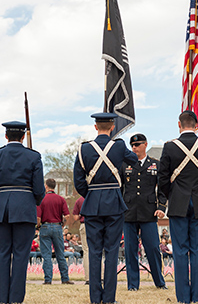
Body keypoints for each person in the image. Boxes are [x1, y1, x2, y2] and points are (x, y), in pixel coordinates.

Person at [158, 110, 198, 304]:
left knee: (179, 251)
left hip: (179, 201)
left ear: (179, 125)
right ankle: (197, 298)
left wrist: (171, 196)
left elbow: (162, 177)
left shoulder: (169, 147)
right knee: (196, 250)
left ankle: (183, 298)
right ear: (197, 125)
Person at [73, 112, 138, 304]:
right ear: (112, 127)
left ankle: (95, 298)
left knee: (94, 252)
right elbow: (133, 161)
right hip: (114, 204)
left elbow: (78, 181)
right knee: (111, 251)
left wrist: (92, 195)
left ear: (95, 127)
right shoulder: (118, 146)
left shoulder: (84, 149)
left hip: (92, 203)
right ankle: (109, 299)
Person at [0, 121, 45, 304]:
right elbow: (39, 189)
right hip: (24, 209)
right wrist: (33, 203)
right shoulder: (33, 157)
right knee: (21, 255)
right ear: (23, 136)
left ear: (6, 136)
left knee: (2, 255)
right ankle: (16, 299)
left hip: (0, 210)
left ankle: (1, 298)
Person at [120, 133, 167, 291]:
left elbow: (162, 188)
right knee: (130, 249)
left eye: (137, 144)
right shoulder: (124, 164)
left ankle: (159, 282)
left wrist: (161, 207)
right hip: (129, 212)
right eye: (132, 145)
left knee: (153, 248)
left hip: (149, 212)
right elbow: (120, 189)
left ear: (145, 144)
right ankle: (133, 285)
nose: (134, 147)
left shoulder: (155, 164)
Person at [37, 178, 73, 285]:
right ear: (55, 187)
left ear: (46, 186)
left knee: (47, 255)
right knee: (60, 254)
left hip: (45, 226)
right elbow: (67, 215)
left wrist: (38, 226)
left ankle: (48, 279)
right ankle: (65, 278)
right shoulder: (61, 199)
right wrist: (62, 225)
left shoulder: (41, 199)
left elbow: (38, 217)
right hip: (57, 227)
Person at [72, 196, 89, 285]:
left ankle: (88, 278)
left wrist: (81, 215)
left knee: (86, 251)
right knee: (98, 250)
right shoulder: (96, 196)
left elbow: (75, 218)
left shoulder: (79, 200)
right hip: (97, 225)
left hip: (84, 224)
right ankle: (100, 276)